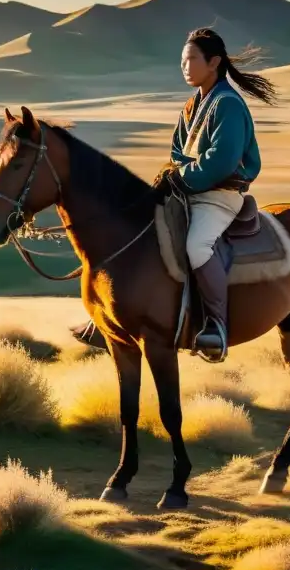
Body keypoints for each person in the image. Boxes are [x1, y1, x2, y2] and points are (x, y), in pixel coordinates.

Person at [70, 27, 277, 361]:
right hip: (189, 190)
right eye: (182, 60)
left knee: (197, 245)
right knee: (137, 228)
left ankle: (215, 325)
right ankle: (110, 315)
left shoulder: (228, 105)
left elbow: (222, 160)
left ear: (214, 62)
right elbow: (180, 152)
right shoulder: (192, 105)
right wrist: (173, 174)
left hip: (218, 195)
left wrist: (181, 179)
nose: (184, 66)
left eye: (191, 59)